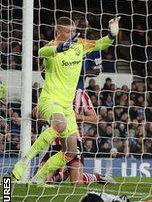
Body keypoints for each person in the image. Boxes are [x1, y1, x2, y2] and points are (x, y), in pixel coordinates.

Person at [11, 16, 119, 184]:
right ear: (58, 32)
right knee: (59, 124)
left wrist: (112, 35)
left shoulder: (79, 45)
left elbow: (100, 44)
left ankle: (38, 179)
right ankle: (23, 162)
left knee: (70, 151)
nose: (72, 34)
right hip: (50, 101)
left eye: (74, 31)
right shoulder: (52, 47)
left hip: (67, 107)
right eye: (68, 31)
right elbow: (41, 52)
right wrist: (61, 48)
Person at [36, 90, 113, 185]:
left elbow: (94, 119)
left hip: (74, 142)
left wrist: (77, 116)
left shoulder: (81, 95)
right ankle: (63, 173)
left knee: (77, 182)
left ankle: (95, 177)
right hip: (55, 143)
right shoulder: (52, 92)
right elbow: (38, 115)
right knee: (42, 180)